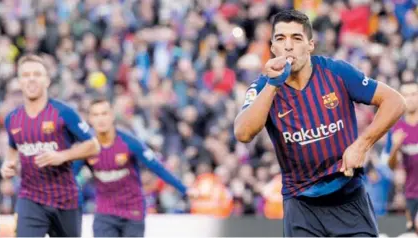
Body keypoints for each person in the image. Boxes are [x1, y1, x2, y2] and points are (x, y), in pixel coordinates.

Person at [234, 10, 406, 237]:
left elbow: (395, 101)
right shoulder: (262, 87)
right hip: (301, 205)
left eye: (296, 38)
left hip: (349, 199)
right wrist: (273, 85)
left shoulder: (336, 72)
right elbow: (243, 133)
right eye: (280, 39)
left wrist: (362, 144)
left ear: (310, 45)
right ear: (273, 47)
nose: (288, 46)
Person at [0, 54, 101, 237]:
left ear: (46, 80)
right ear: (20, 81)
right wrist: (8, 165)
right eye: (26, 75)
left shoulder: (64, 112)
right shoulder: (12, 119)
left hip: (65, 199)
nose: (31, 79)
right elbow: (13, 148)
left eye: (37, 74)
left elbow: (93, 145)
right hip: (30, 198)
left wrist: (62, 156)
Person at [73, 97, 198, 237]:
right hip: (105, 212)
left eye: (104, 114)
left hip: (132, 211)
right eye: (96, 115)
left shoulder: (129, 142)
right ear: (90, 119)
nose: (101, 119)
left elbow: (157, 168)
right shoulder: (86, 147)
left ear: (112, 116)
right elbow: (70, 175)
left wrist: (184, 189)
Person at [386, 81, 418, 234]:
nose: (410, 98)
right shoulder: (397, 127)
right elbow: (391, 165)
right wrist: (395, 148)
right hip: (411, 192)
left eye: (413, 94)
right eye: (405, 95)